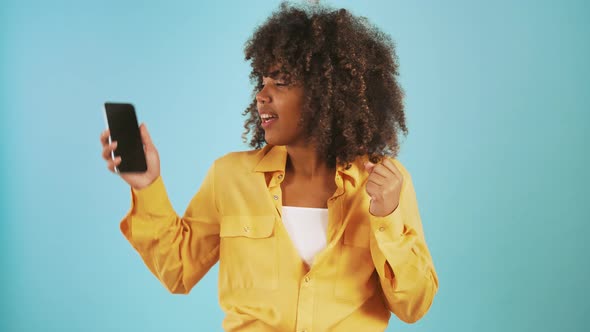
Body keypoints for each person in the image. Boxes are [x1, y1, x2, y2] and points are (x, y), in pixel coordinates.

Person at [100, 3, 438, 331]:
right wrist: (147, 185)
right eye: (262, 82)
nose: (261, 95)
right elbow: (177, 269)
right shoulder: (229, 176)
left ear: (328, 94)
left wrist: (387, 217)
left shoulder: (384, 183)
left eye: (281, 82)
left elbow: (413, 306)